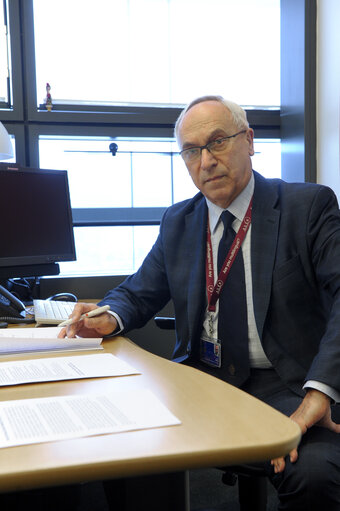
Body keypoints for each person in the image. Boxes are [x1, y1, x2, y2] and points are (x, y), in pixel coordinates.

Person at [60, 95, 340, 510]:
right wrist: (107, 316)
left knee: (315, 474)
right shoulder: (179, 220)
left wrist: (319, 395)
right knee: (116, 442)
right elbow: (139, 290)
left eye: (218, 142)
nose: (205, 161)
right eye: (191, 151)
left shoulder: (306, 206)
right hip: (198, 380)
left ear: (248, 140)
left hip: (287, 383)